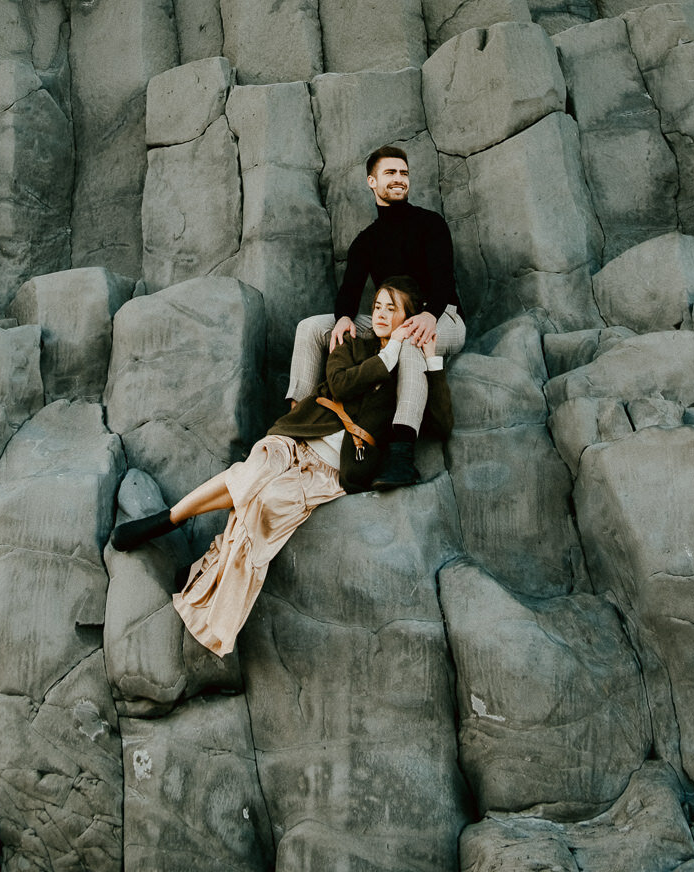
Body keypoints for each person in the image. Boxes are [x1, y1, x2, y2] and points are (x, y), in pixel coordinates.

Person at [109, 279, 452, 658]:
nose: (382, 315)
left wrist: (431, 359)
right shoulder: (353, 343)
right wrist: (389, 354)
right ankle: (166, 520)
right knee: (252, 475)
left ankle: (205, 570)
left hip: (332, 469)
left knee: (265, 507)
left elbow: (439, 423)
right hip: (297, 436)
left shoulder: (408, 366)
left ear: (409, 318)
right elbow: (339, 385)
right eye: (378, 306)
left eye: (392, 309)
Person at [285, 144, 465, 490]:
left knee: (412, 341)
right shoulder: (366, 240)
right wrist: (343, 318)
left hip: (444, 318)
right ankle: (295, 427)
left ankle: (401, 456)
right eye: (390, 173)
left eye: (404, 173)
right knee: (311, 328)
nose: (399, 179)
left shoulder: (430, 223)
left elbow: (444, 279)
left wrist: (429, 314)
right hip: (393, 319)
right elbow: (349, 293)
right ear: (372, 181)